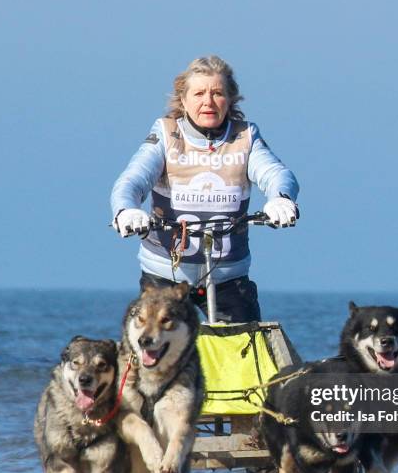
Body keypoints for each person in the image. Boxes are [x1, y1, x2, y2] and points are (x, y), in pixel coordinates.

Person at [110, 55, 299, 322]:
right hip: (167, 276)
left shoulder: (245, 136)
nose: (208, 102)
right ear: (183, 100)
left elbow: (277, 173)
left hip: (229, 277)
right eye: (199, 93)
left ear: (230, 100)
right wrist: (126, 211)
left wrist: (281, 199)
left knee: (247, 348)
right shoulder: (166, 134)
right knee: (157, 349)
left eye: (217, 93)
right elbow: (131, 181)